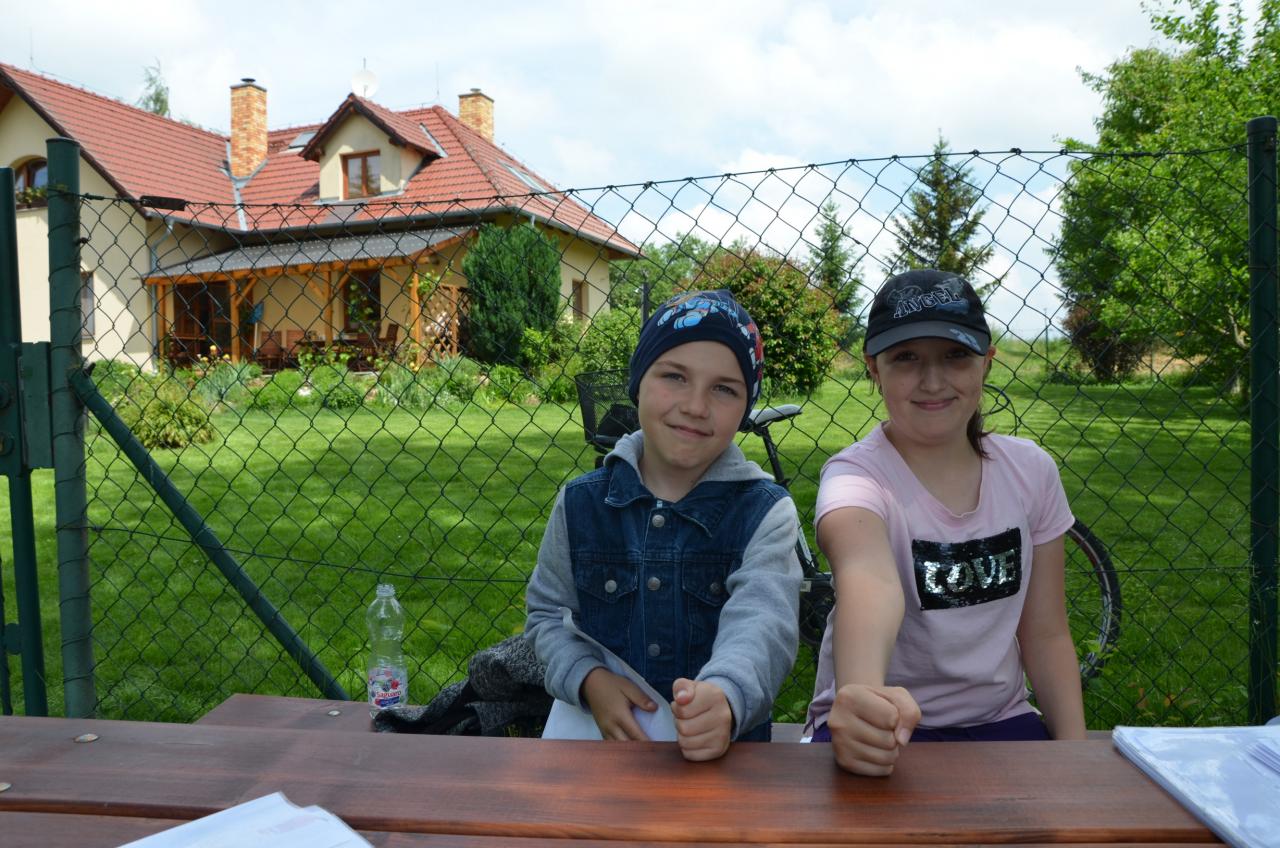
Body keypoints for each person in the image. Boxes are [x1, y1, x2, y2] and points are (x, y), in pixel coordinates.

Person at [806, 269, 1086, 776]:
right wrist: (863, 701)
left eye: (955, 355)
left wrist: (1076, 759)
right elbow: (869, 585)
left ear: (987, 361)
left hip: (999, 719)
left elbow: (1045, 634)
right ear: (873, 368)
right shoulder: (856, 478)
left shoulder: (1031, 472)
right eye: (906, 358)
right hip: (881, 722)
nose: (933, 381)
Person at [526, 289, 802, 761]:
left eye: (724, 389)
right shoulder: (579, 503)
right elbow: (548, 616)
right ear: (639, 383)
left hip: (726, 766)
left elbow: (764, 623)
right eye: (675, 376)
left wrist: (726, 695)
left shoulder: (766, 513)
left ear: (745, 408)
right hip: (601, 760)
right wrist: (589, 679)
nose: (695, 405)